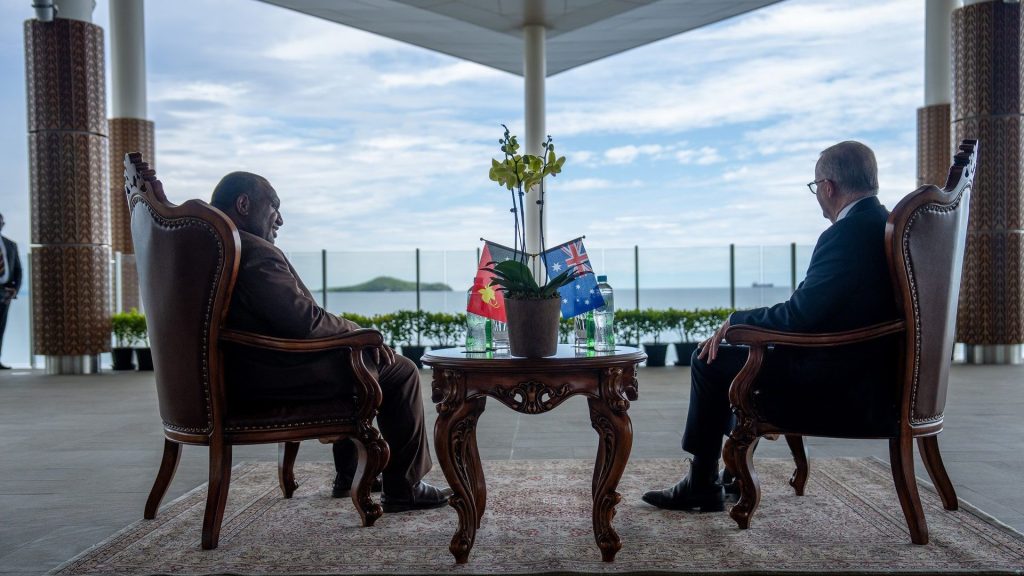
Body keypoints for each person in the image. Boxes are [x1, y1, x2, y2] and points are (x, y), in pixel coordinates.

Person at [643, 141, 900, 511]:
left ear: (828, 187)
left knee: (709, 359)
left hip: (841, 381)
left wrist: (735, 322)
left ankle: (701, 482)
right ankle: (730, 471)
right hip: (867, 369)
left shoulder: (848, 234)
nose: (817, 197)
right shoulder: (883, 224)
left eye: (815, 188)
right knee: (741, 356)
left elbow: (799, 315)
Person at [209, 172, 452, 512]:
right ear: (244, 204)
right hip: (271, 377)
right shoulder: (252, 251)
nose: (280, 219)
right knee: (400, 371)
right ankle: (404, 487)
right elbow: (304, 322)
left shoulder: (206, 245)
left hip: (235, 373)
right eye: (274, 207)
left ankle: (350, 473)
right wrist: (359, 334)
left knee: (354, 359)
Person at [0, 213, 23, 370]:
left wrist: (15, 289)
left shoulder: (10, 244)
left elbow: (18, 270)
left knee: (0, 327)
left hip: (6, 291)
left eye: (1, 222)